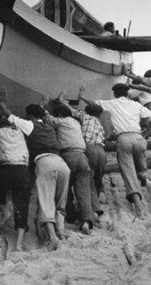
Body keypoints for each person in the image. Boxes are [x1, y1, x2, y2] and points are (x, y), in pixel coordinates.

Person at [0, 94, 70, 251]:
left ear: (29, 115)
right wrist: (42, 105)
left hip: (45, 162)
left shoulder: (29, 125)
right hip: (62, 163)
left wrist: (2, 104)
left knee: (45, 201)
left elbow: (11, 117)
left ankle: (52, 237)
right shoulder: (49, 126)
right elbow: (39, 115)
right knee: (60, 203)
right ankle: (61, 232)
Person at [78, 83, 151, 218]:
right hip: (139, 138)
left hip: (124, 138)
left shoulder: (112, 103)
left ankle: (137, 203)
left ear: (115, 94)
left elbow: (93, 103)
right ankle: (147, 180)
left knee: (128, 171)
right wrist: (146, 133)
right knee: (141, 165)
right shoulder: (136, 105)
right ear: (127, 94)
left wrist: (81, 96)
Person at [45, 95, 94, 235]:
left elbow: (47, 118)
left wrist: (44, 105)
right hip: (82, 157)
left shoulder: (60, 122)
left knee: (65, 188)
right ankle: (86, 220)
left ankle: (71, 217)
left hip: (68, 156)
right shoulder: (76, 123)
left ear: (60, 115)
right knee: (83, 190)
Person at [0, 89, 32, 251]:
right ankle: (20, 242)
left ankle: (4, 207)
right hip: (22, 171)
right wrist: (3, 105)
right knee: (22, 205)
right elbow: (11, 118)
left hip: (5, 170)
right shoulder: (20, 132)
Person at [69, 102, 107, 216]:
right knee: (98, 179)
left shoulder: (85, 116)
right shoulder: (100, 124)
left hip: (90, 149)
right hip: (101, 151)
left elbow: (72, 111)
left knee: (88, 179)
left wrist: (63, 102)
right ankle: (96, 204)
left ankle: (94, 208)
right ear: (99, 114)